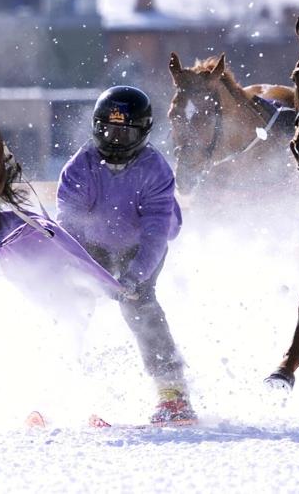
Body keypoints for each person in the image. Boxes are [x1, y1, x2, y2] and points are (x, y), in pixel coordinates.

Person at [56, 85, 196, 425]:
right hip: (96, 244)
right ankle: (53, 387)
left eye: (125, 131)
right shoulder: (80, 166)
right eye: (107, 129)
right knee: (68, 302)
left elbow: (154, 235)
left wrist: (133, 277)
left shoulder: (156, 170)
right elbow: (69, 226)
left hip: (141, 245)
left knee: (139, 304)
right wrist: (84, 270)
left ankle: (173, 393)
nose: (115, 139)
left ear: (143, 132)